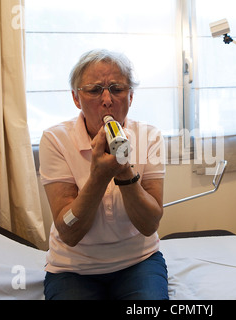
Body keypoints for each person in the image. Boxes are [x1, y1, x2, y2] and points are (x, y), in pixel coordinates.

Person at [39, 49, 168, 300]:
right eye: (94, 89)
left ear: (130, 97)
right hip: (72, 268)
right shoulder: (55, 139)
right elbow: (69, 232)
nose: (107, 100)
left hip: (138, 261)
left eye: (117, 89)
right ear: (76, 98)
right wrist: (98, 176)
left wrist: (123, 170)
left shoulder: (150, 137)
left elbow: (150, 224)